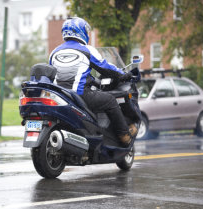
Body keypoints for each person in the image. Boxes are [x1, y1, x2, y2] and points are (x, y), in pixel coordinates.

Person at [49, 17, 137, 146]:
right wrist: (123, 74)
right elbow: (105, 68)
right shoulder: (87, 50)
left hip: (60, 95)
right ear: (80, 31)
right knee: (110, 100)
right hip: (80, 94)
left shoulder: (54, 52)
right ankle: (124, 134)